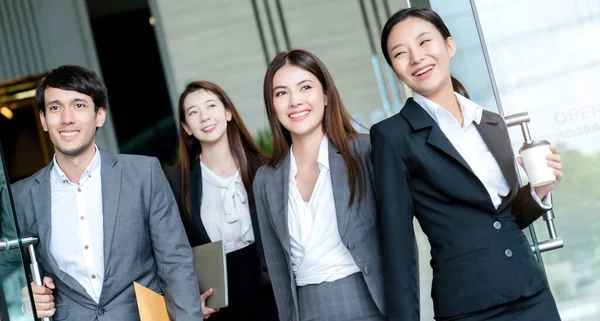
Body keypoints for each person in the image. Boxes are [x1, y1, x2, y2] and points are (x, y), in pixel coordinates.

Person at [371, 8, 563, 321]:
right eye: (400, 53)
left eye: (424, 43)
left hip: (532, 293)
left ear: (449, 46)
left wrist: (539, 191)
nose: (417, 58)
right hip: (469, 306)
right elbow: (397, 246)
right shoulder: (392, 136)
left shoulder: (491, 123)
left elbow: (502, 218)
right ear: (395, 69)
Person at [10, 65, 204, 320]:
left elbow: (176, 264)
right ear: (44, 120)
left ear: (99, 115)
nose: (67, 118)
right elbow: (9, 275)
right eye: (55, 108)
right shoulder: (20, 197)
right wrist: (23, 296)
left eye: (79, 105)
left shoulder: (144, 174)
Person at [253, 49, 388, 321]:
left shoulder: (365, 152)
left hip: (372, 303)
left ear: (325, 95)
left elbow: (398, 240)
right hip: (307, 310)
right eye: (281, 93)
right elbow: (276, 269)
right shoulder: (266, 180)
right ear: (272, 106)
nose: (295, 101)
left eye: (305, 87)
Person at [165, 80, 279, 320]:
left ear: (227, 112)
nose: (204, 117)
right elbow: (170, 253)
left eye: (211, 106)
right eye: (193, 112)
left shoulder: (266, 168)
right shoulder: (176, 184)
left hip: (275, 299)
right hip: (220, 309)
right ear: (186, 127)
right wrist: (186, 299)